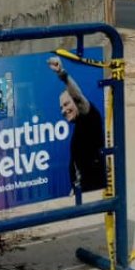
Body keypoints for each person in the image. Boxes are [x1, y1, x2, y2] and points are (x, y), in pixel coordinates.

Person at [47, 55, 106, 193]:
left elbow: (79, 98)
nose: (63, 110)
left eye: (66, 104)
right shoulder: (79, 126)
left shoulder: (90, 117)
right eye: (61, 107)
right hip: (83, 191)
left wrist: (63, 75)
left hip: (94, 192)